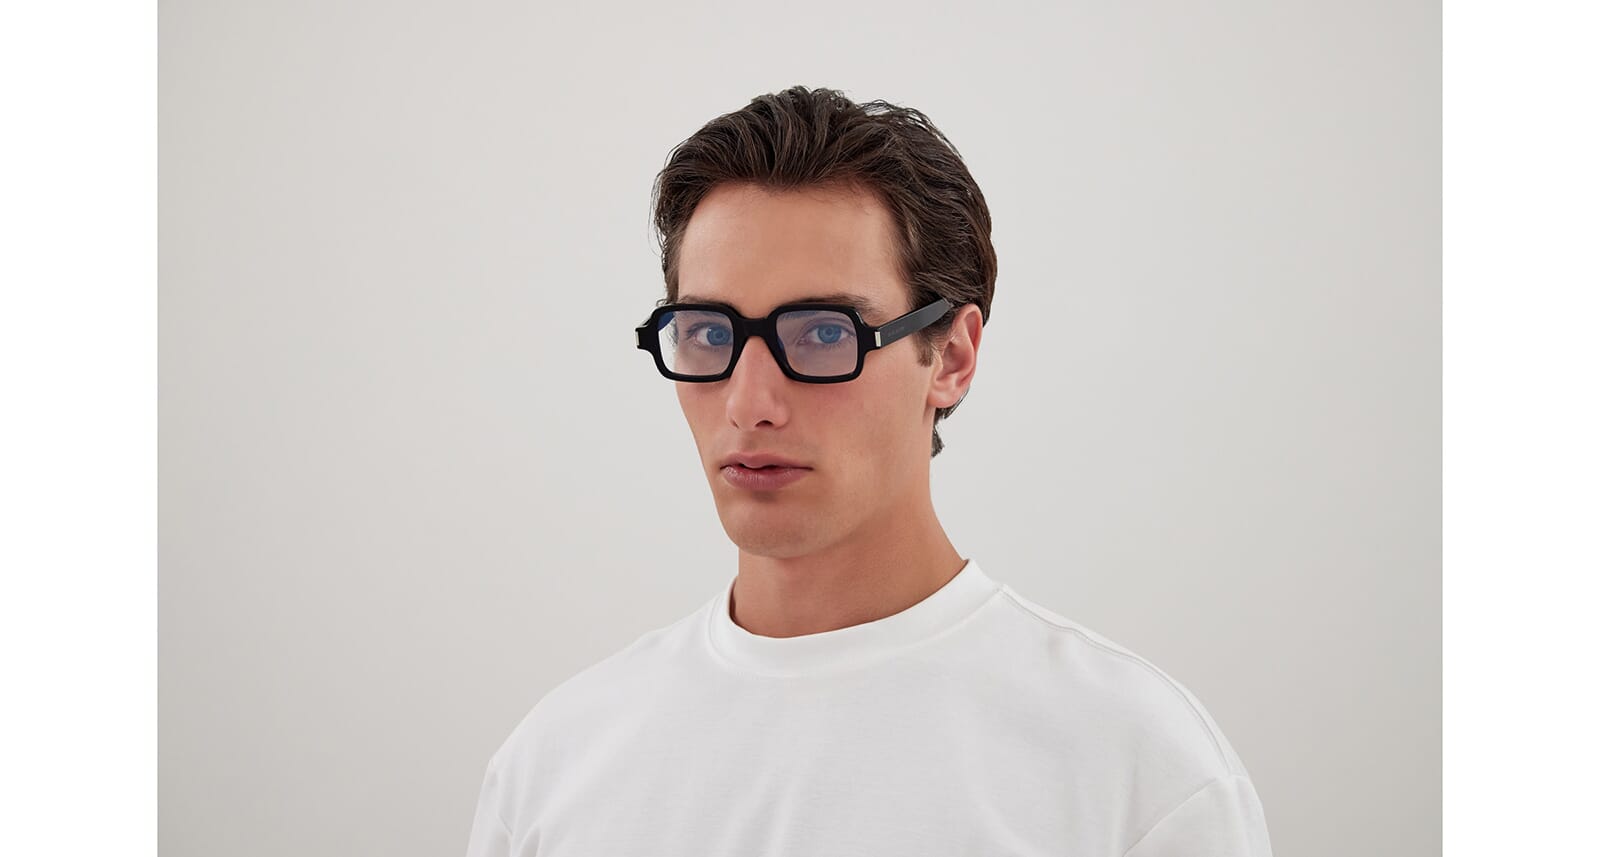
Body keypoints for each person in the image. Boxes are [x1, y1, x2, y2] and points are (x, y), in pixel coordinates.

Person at [464, 85, 1273, 856]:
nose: (750, 403)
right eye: (708, 333)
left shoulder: (1137, 770)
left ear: (951, 358)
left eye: (823, 333)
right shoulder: (554, 766)